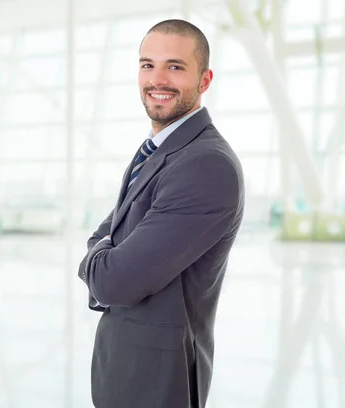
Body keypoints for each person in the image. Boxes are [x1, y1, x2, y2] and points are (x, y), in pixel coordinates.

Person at [78, 18, 245, 408]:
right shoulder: (158, 150)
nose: (157, 79)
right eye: (147, 64)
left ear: (205, 80)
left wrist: (97, 256)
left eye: (175, 66)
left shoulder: (205, 165)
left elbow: (112, 282)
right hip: (124, 372)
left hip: (157, 385)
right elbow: (108, 234)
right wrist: (103, 250)